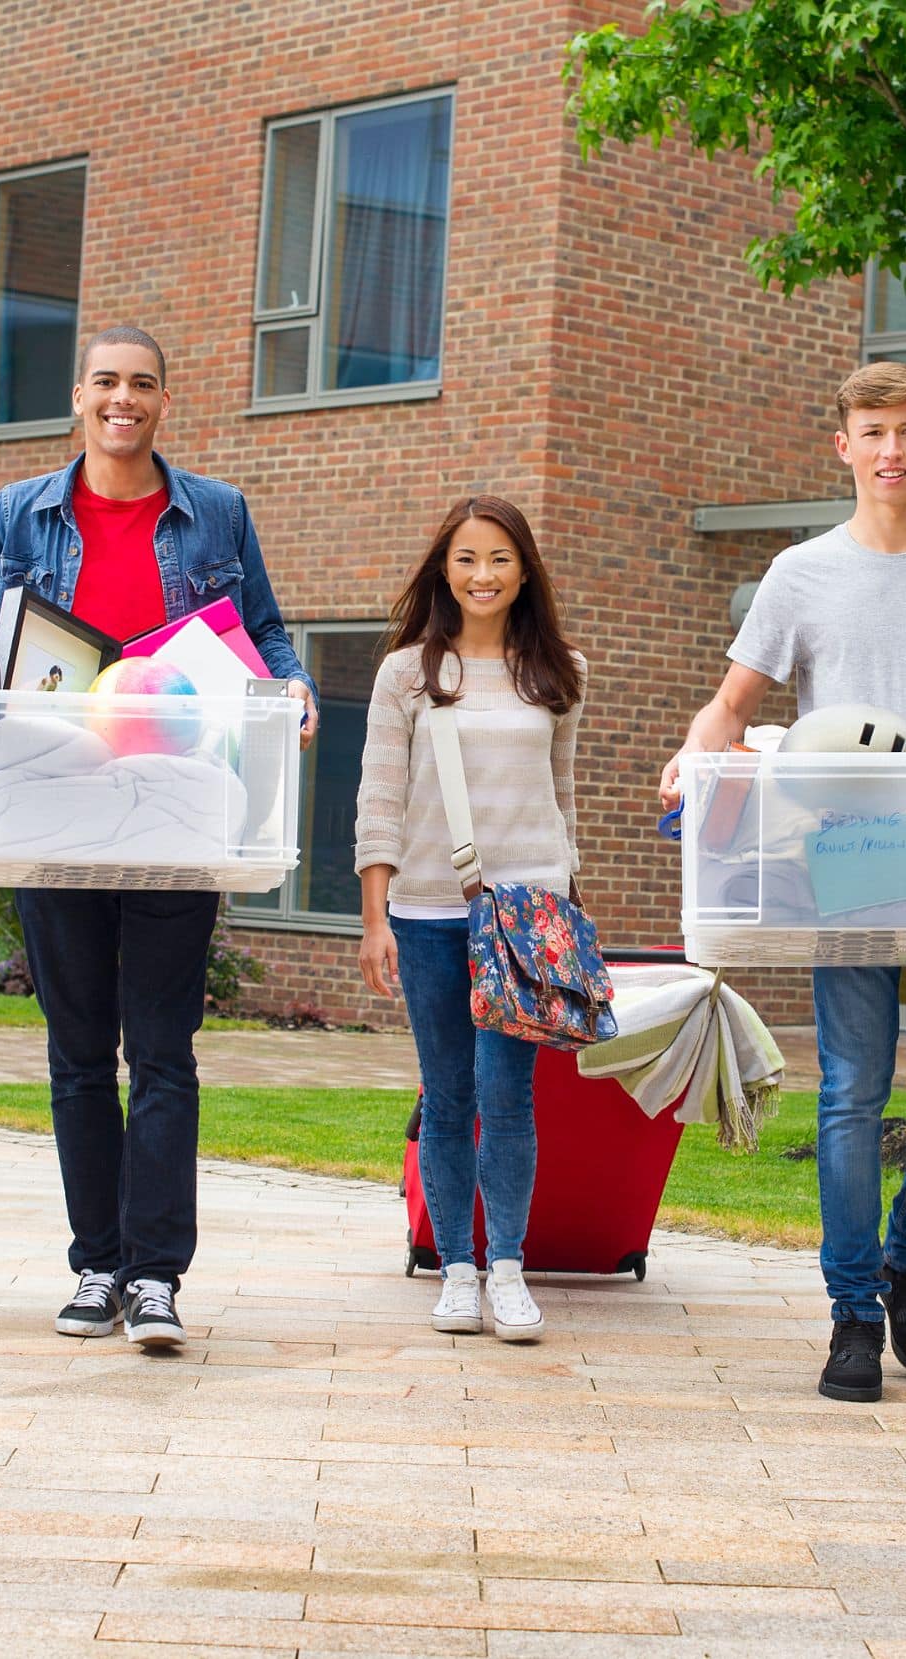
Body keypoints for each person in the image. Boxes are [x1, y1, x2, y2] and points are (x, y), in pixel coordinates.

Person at [659, 361, 906, 1402]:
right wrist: (692, 758)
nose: (889, 449)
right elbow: (732, 698)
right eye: (870, 431)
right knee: (850, 1094)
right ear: (842, 447)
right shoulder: (800, 575)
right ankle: (849, 1316)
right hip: (842, 859)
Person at [0, 325, 319, 1349]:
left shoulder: (215, 515)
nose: (124, 398)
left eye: (143, 384)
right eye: (106, 382)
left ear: (163, 400)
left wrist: (291, 688)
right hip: (52, 813)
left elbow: (270, 635)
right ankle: (96, 1266)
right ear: (79, 396)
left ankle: (156, 1277)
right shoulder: (18, 513)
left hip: (176, 811)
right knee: (76, 1055)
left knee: (162, 1052)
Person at [355, 496, 585, 1341]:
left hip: (528, 914)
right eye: (465, 559)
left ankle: (511, 1268)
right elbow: (378, 800)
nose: (481, 575)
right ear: (442, 571)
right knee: (448, 1096)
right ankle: (456, 1267)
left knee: (507, 1094)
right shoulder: (405, 674)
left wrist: (568, 897)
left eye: (497, 559)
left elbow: (559, 798)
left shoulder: (559, 671)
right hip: (424, 910)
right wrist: (374, 915)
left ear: (523, 570)